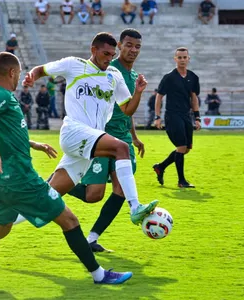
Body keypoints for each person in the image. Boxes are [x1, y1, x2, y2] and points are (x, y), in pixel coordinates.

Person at [0, 51, 133, 286]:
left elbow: (3, 132)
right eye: (19, 73)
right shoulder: (0, 95)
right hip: (21, 179)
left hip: (1, 182)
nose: (19, 78)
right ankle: (99, 275)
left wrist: (33, 144)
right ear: (12, 72)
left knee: (0, 230)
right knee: (70, 221)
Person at [22, 32, 158, 226]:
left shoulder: (114, 75)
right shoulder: (74, 64)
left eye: (112, 55)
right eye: (105, 53)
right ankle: (135, 207)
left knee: (49, 196)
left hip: (90, 142)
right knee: (121, 148)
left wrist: (138, 92)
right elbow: (42, 69)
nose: (109, 58)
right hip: (74, 132)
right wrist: (31, 77)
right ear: (93, 50)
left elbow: (127, 109)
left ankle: (2, 223)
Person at [66, 29, 147, 252]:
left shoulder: (132, 76)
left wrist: (135, 137)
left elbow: (126, 110)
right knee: (93, 195)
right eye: (129, 45)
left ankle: (92, 238)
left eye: (137, 47)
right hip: (102, 138)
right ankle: (58, 181)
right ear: (119, 46)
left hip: (123, 141)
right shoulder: (108, 69)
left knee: (121, 190)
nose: (133, 50)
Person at [153, 47, 201, 188]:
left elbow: (194, 98)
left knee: (186, 149)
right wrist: (157, 116)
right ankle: (181, 181)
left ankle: (160, 167)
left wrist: (197, 118)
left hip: (186, 116)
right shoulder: (169, 77)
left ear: (188, 59)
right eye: (179, 57)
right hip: (172, 116)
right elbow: (159, 96)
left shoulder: (193, 77)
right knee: (181, 147)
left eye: (184, 57)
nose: (182, 60)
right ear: (175, 59)